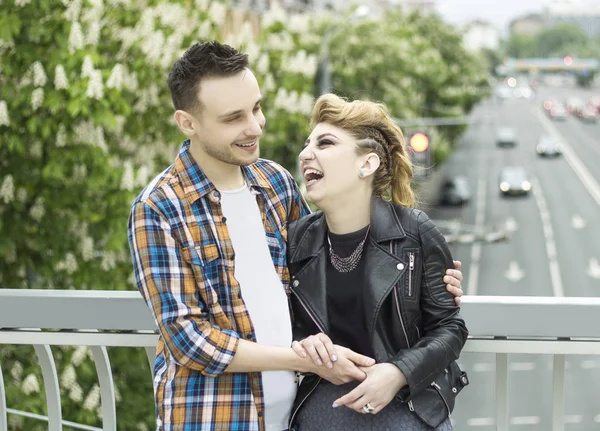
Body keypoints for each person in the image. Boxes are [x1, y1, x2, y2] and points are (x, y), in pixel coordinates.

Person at [127, 41, 465, 431]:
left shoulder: (276, 184)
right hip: (212, 417)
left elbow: (316, 282)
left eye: (256, 107)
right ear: (188, 123)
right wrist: (301, 359)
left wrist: (428, 279)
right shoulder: (158, 208)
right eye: (234, 117)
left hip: (291, 415)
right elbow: (188, 339)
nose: (255, 126)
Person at [286, 94, 469, 430]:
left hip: (406, 405)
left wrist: (399, 372)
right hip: (327, 410)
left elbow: (450, 327)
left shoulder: (414, 232)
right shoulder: (296, 240)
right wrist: (302, 343)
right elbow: (280, 322)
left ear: (366, 164)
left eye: (324, 143)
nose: (305, 153)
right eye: (307, 143)